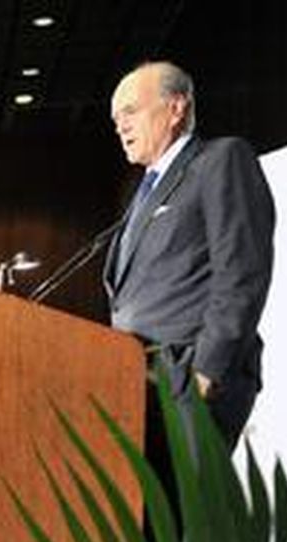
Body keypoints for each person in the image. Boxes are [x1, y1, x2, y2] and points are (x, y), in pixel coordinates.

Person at [105, 61, 275, 468]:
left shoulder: (220, 160)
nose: (120, 127)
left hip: (189, 379)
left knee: (190, 525)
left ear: (177, 107)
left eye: (130, 112)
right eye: (115, 120)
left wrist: (206, 373)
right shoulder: (144, 192)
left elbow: (241, 272)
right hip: (138, 384)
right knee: (150, 527)